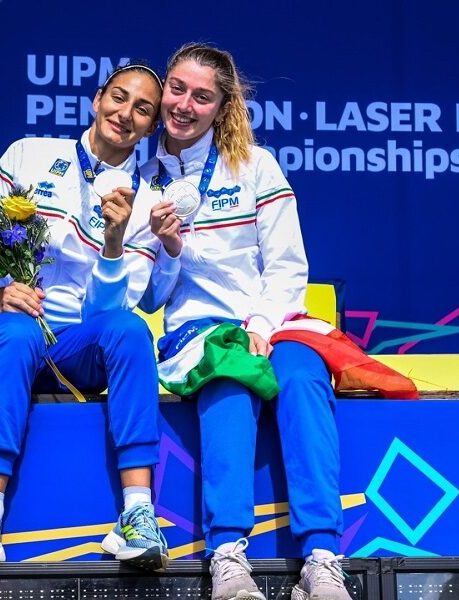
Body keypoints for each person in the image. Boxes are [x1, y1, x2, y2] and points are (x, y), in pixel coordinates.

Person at [0, 63, 179, 571]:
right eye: (119, 97)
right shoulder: (28, 154)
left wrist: (114, 243)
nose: (126, 114)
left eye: (143, 109)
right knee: (18, 331)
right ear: (97, 99)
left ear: (151, 127)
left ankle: (139, 515)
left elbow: (105, 316)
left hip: (74, 349)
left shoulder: (148, 200)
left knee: (130, 331)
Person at [142, 44, 352, 600]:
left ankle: (322, 558)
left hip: (273, 320)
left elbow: (288, 266)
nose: (184, 105)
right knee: (231, 381)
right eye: (177, 89)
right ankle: (228, 556)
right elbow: (150, 295)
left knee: (304, 376)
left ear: (222, 106)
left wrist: (260, 323)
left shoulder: (256, 166)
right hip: (198, 331)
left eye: (202, 96)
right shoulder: (142, 177)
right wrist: (168, 249)